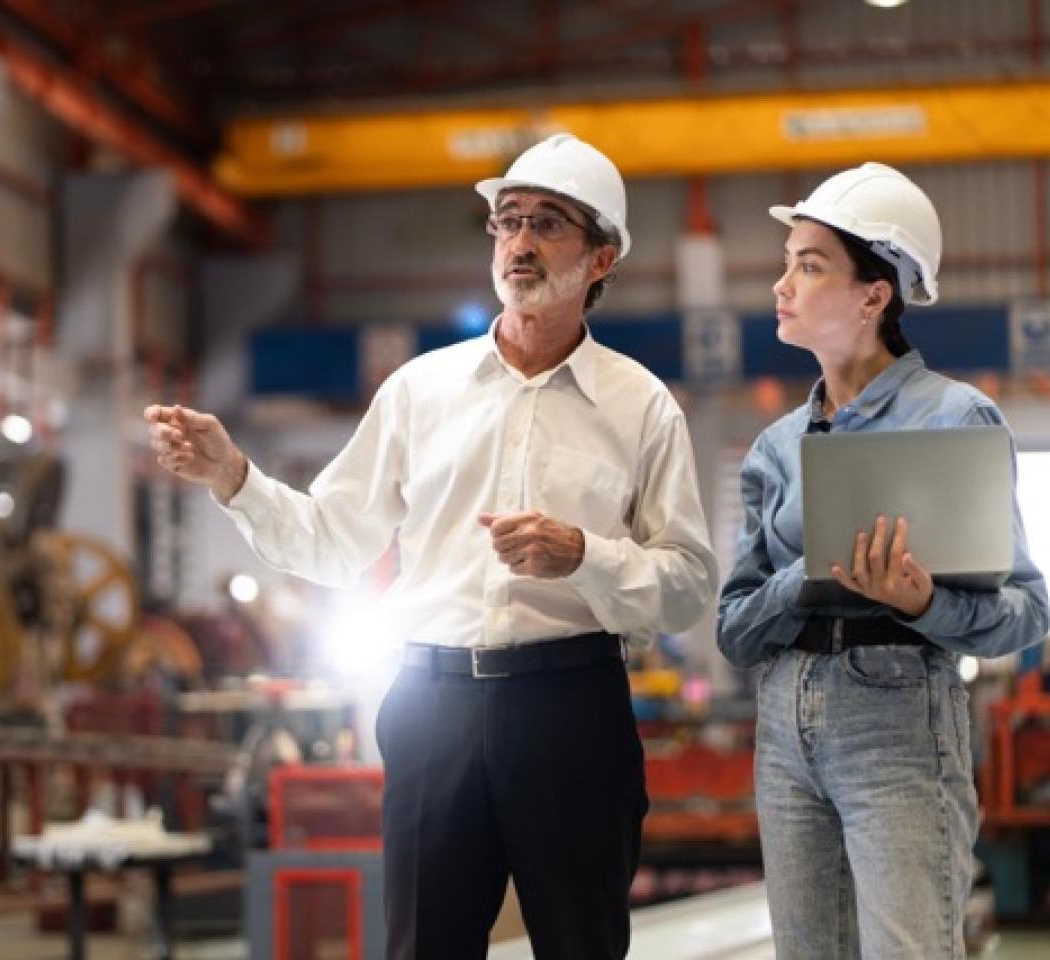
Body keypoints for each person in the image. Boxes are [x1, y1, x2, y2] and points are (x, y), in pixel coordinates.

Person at [146, 133, 716, 959]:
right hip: (431, 704)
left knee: (582, 945)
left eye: (548, 224)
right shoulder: (422, 391)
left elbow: (690, 582)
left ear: (601, 259)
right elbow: (336, 542)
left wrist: (584, 556)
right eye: (506, 221)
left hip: (570, 705)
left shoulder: (642, 407)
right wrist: (237, 476)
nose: (518, 242)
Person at [717, 162, 1050, 959]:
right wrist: (810, 575)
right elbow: (734, 627)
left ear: (875, 294)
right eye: (785, 261)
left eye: (809, 263)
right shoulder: (774, 448)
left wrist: (920, 602)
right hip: (782, 720)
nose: (781, 284)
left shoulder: (954, 418)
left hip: (898, 717)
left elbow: (1026, 612)